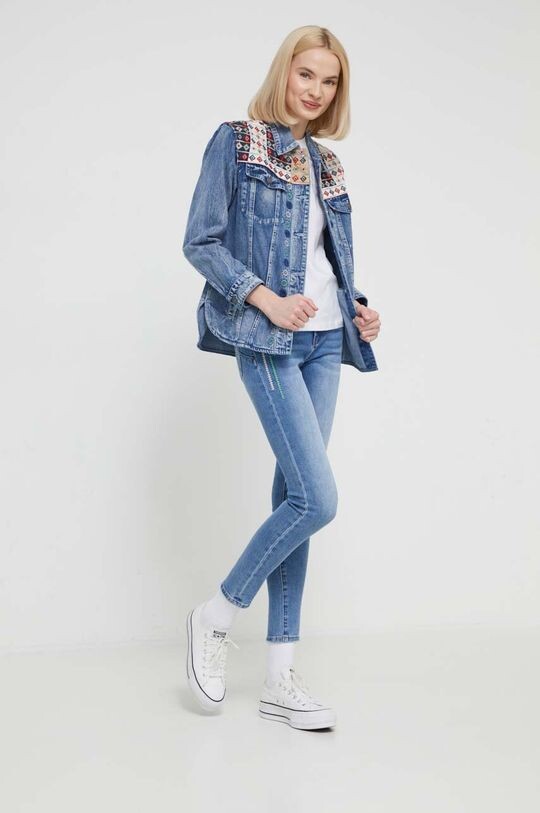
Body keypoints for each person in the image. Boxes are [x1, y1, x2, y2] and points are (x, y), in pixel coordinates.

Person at [182, 25, 381, 730]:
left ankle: (278, 677)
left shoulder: (327, 162)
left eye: (329, 81)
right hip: (269, 339)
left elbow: (327, 260)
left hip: (326, 342)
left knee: (296, 498)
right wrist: (263, 298)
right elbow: (200, 241)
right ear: (284, 72)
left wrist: (357, 307)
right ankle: (216, 613)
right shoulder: (237, 142)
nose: (316, 90)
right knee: (318, 499)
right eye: (307, 75)